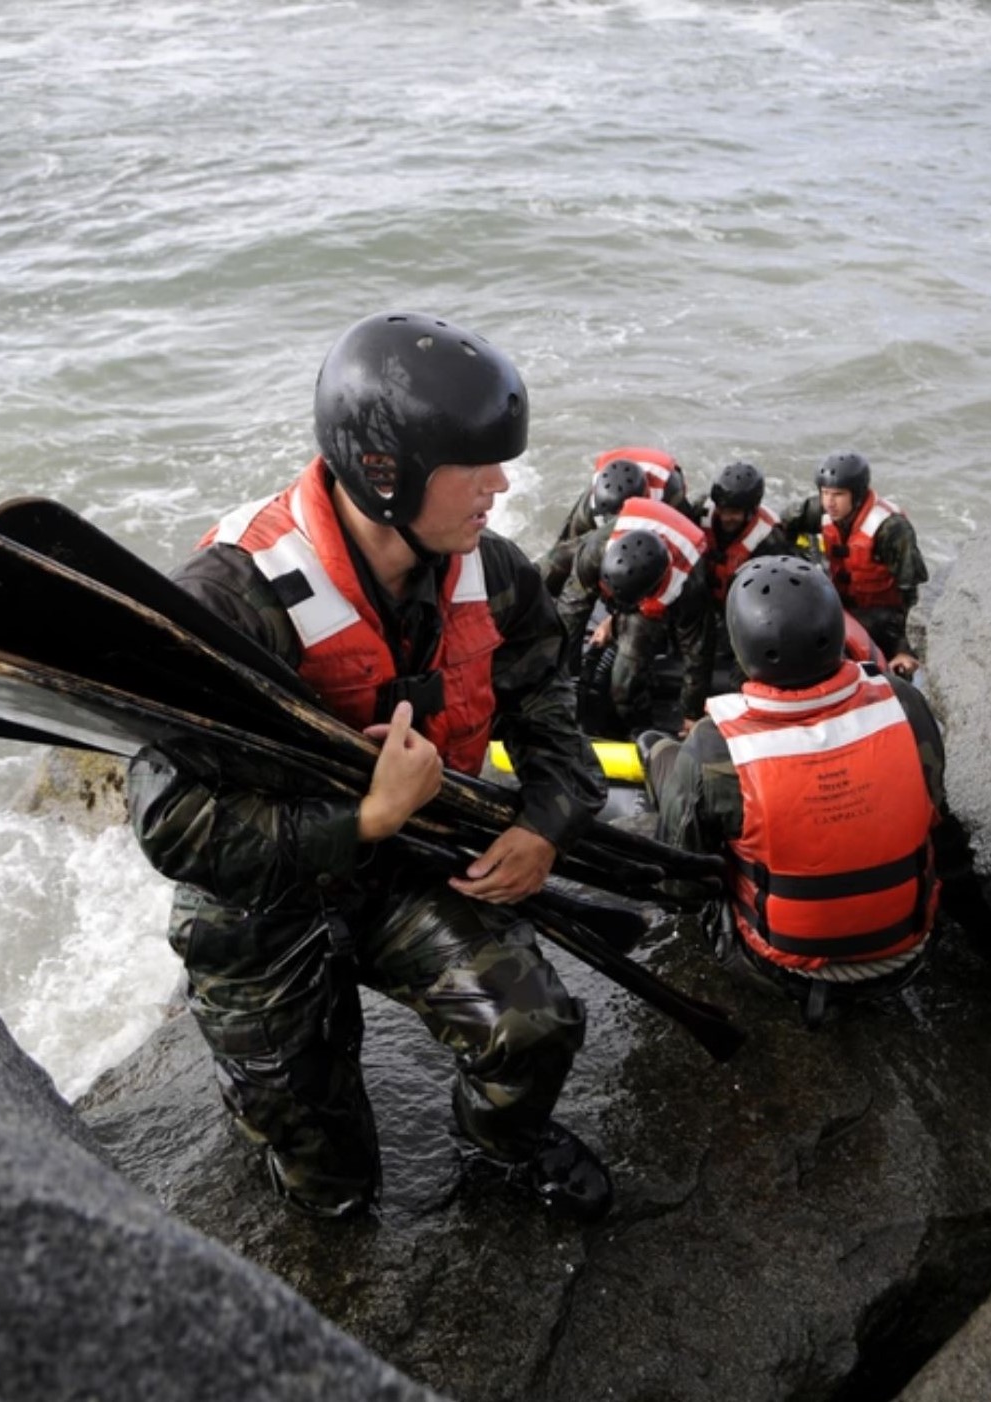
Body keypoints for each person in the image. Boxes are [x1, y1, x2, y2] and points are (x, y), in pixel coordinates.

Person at [126, 312, 614, 1223]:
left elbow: (548, 703)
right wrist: (361, 820)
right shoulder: (233, 600)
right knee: (331, 1182)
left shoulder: (491, 573)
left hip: (410, 867)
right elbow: (170, 821)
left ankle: (500, 1147)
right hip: (262, 904)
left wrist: (544, 824)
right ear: (387, 474)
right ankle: (286, 1112)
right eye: (477, 466)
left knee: (531, 1026)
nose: (502, 486)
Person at [641, 555, 947, 1027]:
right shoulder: (902, 700)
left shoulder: (713, 745)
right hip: (909, 948)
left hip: (784, 969)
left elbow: (679, 887)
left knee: (656, 749)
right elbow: (934, 809)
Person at [558, 495, 713, 736]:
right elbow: (570, 615)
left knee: (625, 683)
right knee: (552, 571)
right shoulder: (595, 551)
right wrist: (565, 683)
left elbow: (698, 653)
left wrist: (691, 712)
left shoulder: (689, 584)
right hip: (623, 569)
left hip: (662, 580)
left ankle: (639, 729)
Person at [781, 451, 929, 678]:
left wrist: (905, 649)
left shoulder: (891, 529)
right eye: (824, 493)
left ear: (857, 494)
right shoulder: (821, 510)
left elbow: (914, 596)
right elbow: (782, 526)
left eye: (838, 494)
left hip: (885, 619)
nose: (829, 502)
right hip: (840, 606)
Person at [690, 460, 797, 731]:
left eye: (735, 512)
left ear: (751, 511)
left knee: (744, 668)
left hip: (746, 609)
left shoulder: (769, 540)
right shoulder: (700, 511)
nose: (727, 517)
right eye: (723, 510)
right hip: (704, 598)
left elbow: (776, 597)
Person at [534, 447, 690, 597]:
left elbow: (684, 530)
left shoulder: (670, 492)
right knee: (566, 554)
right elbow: (568, 548)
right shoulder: (590, 505)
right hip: (612, 484)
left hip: (657, 497)